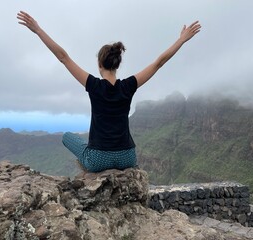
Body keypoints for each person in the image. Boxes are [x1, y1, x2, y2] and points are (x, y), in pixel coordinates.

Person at [17, 11, 201, 173]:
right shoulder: (129, 86)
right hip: (127, 158)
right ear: (117, 65)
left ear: (99, 65)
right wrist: (181, 40)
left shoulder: (93, 85)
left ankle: (88, 170)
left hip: (98, 160)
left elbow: (63, 58)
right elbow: (159, 63)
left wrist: (38, 30)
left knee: (67, 137)